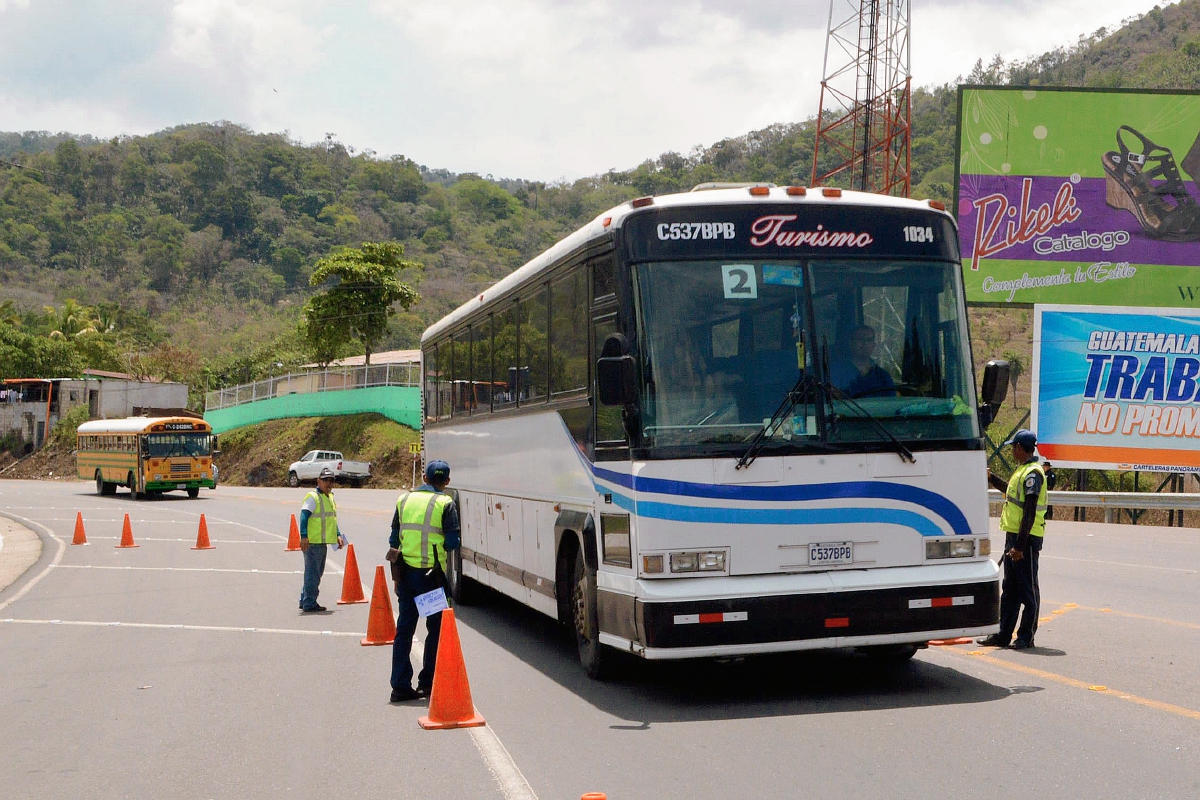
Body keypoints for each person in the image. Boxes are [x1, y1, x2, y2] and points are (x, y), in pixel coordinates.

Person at [389, 459, 461, 703]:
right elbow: (452, 543)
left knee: (405, 629)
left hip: (406, 575)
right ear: (447, 481)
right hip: (431, 578)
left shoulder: (404, 500)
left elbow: (393, 538)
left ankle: (399, 686)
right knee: (435, 629)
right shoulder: (446, 503)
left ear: (426, 478)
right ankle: (427, 683)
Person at [978, 429, 1047, 649]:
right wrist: (991, 478)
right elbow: (1011, 493)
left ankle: (1026, 637)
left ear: (1019, 448)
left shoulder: (1033, 474)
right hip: (1014, 537)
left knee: (1027, 590)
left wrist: (1019, 546)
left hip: (1024, 539)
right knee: (1010, 590)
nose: (1011, 451)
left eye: (1012, 447)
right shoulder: (1023, 470)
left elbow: (1029, 512)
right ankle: (1002, 634)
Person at [298, 467, 345, 613]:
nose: (329, 483)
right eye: (325, 480)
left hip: (322, 542)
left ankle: (305, 599)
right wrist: (304, 536)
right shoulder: (313, 497)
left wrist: (337, 534)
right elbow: (304, 516)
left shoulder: (329, 497)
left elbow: (331, 519)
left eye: (331, 481)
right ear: (319, 481)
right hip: (312, 543)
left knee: (315, 573)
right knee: (313, 574)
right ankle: (309, 603)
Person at [829, 324, 895, 398]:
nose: (865, 344)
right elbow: (835, 401)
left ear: (873, 345)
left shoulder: (882, 376)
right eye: (860, 339)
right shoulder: (836, 371)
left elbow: (890, 403)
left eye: (869, 340)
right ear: (851, 343)